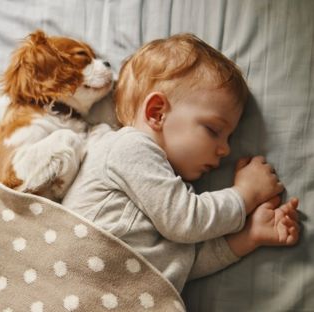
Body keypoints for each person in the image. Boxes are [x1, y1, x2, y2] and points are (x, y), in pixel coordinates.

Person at [62, 33, 300, 293]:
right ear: (157, 113)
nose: (225, 149)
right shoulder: (128, 147)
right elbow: (185, 222)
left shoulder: (166, 188)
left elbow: (175, 266)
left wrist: (248, 236)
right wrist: (245, 195)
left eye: (229, 137)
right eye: (213, 130)